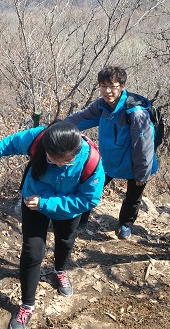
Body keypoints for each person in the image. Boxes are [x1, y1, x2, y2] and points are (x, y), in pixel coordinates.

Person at [0, 121, 105, 329]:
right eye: (53, 160)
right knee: (32, 252)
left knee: (65, 240)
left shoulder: (91, 161)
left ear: (76, 152)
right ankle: (27, 305)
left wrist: (47, 203)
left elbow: (89, 199)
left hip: (67, 208)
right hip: (33, 201)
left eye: (66, 162)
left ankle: (60, 271)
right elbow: (9, 144)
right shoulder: (39, 138)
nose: (59, 165)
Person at [64, 65, 158, 239]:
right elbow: (83, 116)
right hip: (109, 160)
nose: (107, 91)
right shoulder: (102, 105)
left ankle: (125, 225)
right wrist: (59, 127)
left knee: (133, 197)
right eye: (103, 86)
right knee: (90, 187)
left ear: (122, 86)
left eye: (112, 86)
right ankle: (80, 220)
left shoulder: (136, 113)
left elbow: (144, 147)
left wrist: (142, 173)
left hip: (134, 163)